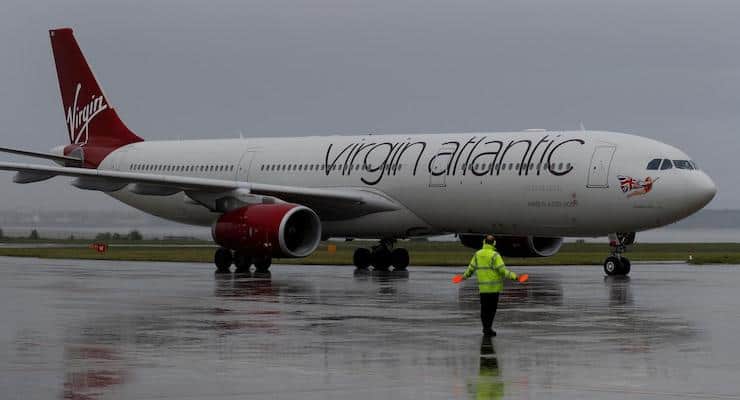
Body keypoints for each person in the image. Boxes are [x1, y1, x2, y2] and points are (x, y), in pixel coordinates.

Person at [460, 235, 524, 336]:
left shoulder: (477, 254)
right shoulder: (495, 255)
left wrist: (463, 277)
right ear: (494, 243)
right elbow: (503, 271)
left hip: (483, 289)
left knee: (484, 309)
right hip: (494, 289)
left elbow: (470, 269)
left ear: (484, 242)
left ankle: (485, 328)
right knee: (492, 310)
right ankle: (488, 328)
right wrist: (516, 277)